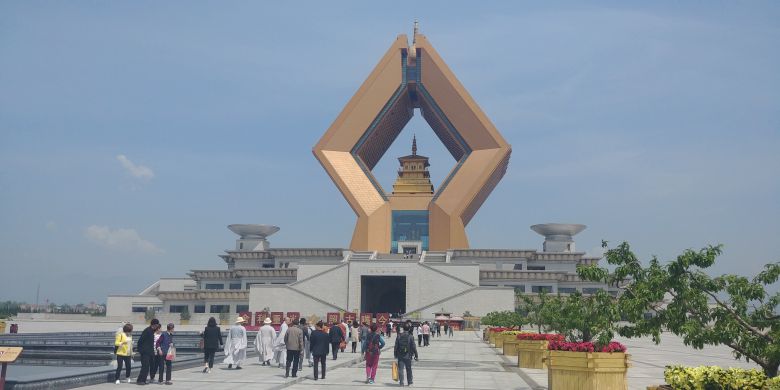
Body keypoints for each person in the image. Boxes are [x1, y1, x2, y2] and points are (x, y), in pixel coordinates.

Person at [136, 318, 160, 385]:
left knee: (147, 367)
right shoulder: (147, 331)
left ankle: (143, 380)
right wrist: (141, 351)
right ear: (154, 324)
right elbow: (140, 341)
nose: (158, 326)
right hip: (145, 352)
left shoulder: (152, 331)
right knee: (145, 366)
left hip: (150, 352)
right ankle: (140, 380)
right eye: (157, 325)